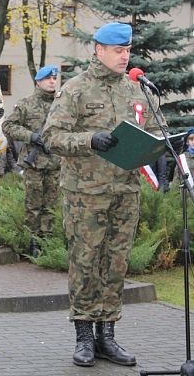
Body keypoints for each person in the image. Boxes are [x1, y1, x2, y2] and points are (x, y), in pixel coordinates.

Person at [41, 22, 171, 368]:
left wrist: (160, 142)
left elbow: (154, 129)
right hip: (86, 195)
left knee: (116, 264)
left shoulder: (135, 90)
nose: (124, 56)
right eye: (118, 50)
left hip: (125, 192)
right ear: (99, 50)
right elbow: (51, 136)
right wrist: (89, 139)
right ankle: (84, 337)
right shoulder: (76, 90)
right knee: (86, 263)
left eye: (127, 50)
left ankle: (107, 336)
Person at [2, 65, 62, 257]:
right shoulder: (26, 104)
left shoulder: (62, 105)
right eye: (48, 79)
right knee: (33, 206)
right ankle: (33, 243)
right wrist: (30, 136)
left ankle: (48, 241)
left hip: (55, 164)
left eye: (54, 78)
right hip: (34, 165)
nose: (52, 81)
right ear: (38, 81)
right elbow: (8, 126)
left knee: (51, 206)